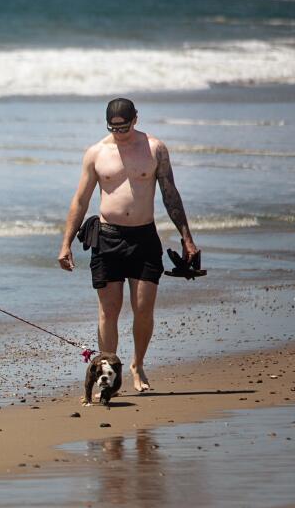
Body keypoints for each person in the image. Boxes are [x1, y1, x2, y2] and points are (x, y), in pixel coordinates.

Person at [58, 97, 200, 392]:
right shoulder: (96, 153)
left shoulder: (154, 148)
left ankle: (137, 364)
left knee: (143, 308)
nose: (119, 133)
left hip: (144, 238)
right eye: (113, 127)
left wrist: (187, 238)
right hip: (107, 238)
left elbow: (170, 194)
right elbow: (81, 200)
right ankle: (108, 372)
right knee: (108, 311)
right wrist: (66, 243)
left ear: (136, 119)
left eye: (124, 127)